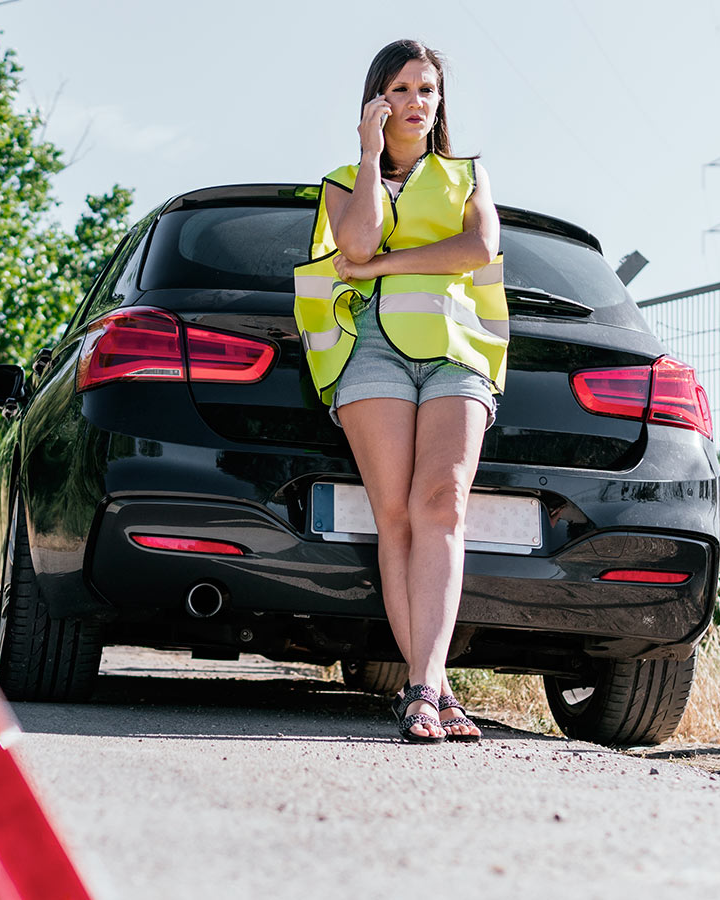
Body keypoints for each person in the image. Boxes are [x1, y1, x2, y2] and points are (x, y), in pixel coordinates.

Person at [293, 39, 506, 744]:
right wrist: (365, 154)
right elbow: (352, 247)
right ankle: (430, 691)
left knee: (441, 505)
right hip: (372, 355)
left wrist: (389, 264)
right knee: (396, 515)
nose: (418, 102)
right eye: (403, 89)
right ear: (378, 99)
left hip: (457, 353)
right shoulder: (340, 180)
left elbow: (477, 250)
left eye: (428, 89)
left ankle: (425, 682)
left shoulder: (465, 175)